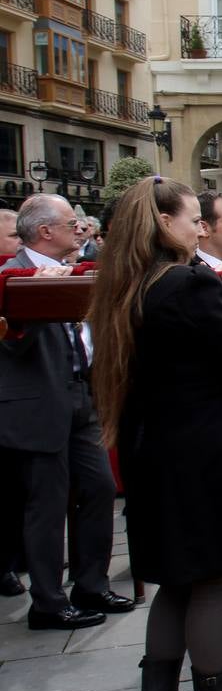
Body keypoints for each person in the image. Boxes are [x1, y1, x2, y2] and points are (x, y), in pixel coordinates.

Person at [86, 177, 222, 691]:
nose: (200, 229)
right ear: (163, 223)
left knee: (176, 580)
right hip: (204, 452)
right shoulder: (187, 283)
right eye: (195, 219)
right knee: (215, 579)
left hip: (155, 449)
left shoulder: (128, 284)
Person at [0, 195, 130, 630]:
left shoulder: (79, 272)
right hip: (38, 406)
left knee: (100, 488)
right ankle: (48, 602)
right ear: (44, 231)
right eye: (71, 223)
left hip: (81, 397)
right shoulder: (11, 276)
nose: (80, 229)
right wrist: (40, 294)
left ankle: (91, 584)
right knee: (47, 505)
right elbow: (10, 343)